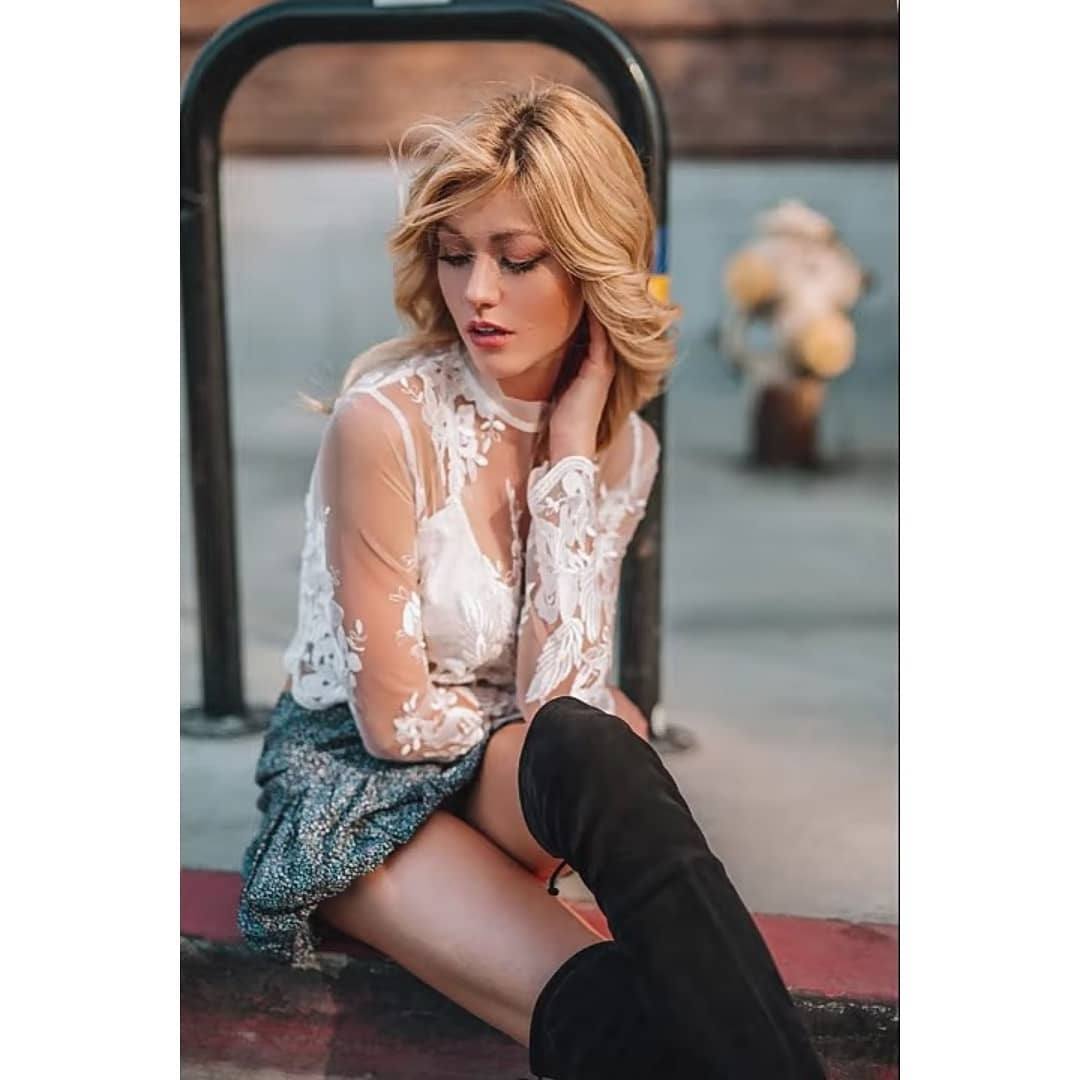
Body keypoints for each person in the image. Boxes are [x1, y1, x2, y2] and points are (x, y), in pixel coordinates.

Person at [238, 82, 824, 1079]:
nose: (477, 292)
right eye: (454, 253)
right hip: (358, 781)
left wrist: (568, 458)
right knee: (630, 1016)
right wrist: (544, 739)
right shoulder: (386, 423)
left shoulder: (622, 452)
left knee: (598, 735)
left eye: (516, 260)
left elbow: (562, 704)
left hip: (509, 768)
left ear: (593, 263)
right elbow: (394, 724)